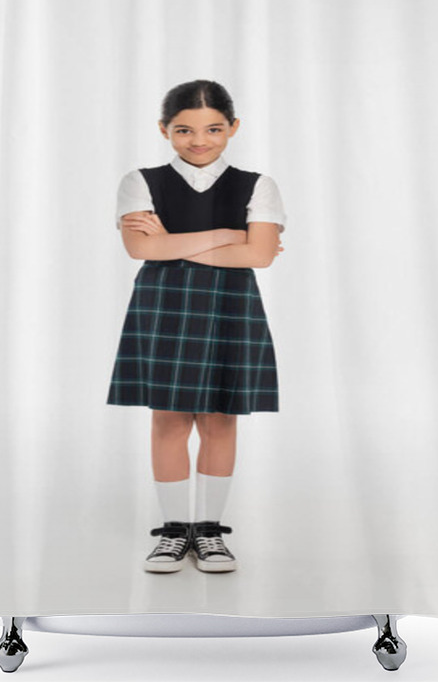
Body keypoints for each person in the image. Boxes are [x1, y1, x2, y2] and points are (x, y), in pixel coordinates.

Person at [107, 79, 287, 575]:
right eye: (184, 130)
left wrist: (177, 240)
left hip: (231, 306)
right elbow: (142, 249)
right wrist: (228, 234)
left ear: (233, 128)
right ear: (165, 130)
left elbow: (260, 256)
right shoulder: (140, 181)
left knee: (219, 417)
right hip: (164, 308)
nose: (199, 140)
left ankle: (208, 531)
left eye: (212, 128)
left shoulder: (257, 185)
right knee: (168, 418)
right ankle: (172, 532)